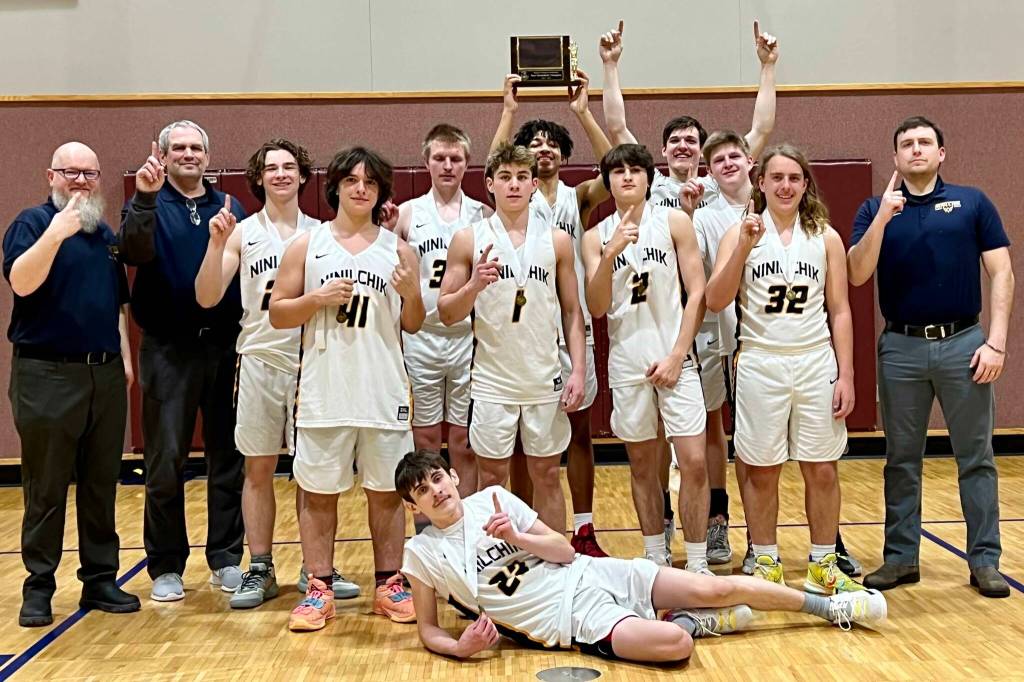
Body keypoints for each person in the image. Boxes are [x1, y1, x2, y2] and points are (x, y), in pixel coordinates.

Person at [396, 450, 887, 663]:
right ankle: (694, 622)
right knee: (676, 645)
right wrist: (460, 648)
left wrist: (520, 537)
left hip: (592, 572)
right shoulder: (422, 554)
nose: (435, 491)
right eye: (422, 491)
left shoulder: (495, 499)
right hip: (571, 619)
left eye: (437, 479)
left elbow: (564, 550)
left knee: (716, 585)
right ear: (413, 506)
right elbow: (428, 630)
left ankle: (829, 607)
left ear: (453, 477)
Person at [600, 19, 784, 569]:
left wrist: (768, 69)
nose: (684, 146)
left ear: (703, 153)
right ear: (661, 152)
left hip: (710, 324)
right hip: (657, 324)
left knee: (709, 431)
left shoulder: (720, 186)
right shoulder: (650, 188)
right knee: (653, 440)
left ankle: (716, 523)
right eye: (675, 140)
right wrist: (611, 67)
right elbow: (617, 126)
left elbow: (760, 129)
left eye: (691, 141)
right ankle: (661, 527)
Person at [847, 116, 1014, 598]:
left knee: (976, 458)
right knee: (901, 459)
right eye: (907, 144)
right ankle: (901, 558)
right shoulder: (874, 208)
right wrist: (883, 219)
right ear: (895, 157)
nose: (916, 149)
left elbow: (1002, 273)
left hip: (965, 344)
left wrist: (996, 342)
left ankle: (985, 560)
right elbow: (857, 273)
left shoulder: (973, 202)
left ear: (941, 153)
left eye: (925, 142)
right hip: (900, 347)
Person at [194, 138, 358, 608]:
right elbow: (206, 296)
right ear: (259, 178)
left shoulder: (323, 233)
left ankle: (315, 568)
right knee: (258, 467)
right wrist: (215, 245)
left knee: (312, 471)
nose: (281, 174)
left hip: (313, 363)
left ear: (304, 176)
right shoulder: (243, 233)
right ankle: (261, 567)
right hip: (260, 360)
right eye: (271, 168)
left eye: (289, 167)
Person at [269, 146, 424, 630]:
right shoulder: (307, 244)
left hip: (383, 390)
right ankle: (319, 589)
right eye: (352, 180)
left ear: (381, 192)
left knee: (387, 492)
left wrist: (412, 294)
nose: (361, 189)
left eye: (370, 182)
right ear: (334, 186)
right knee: (318, 493)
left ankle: (389, 584)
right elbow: (277, 313)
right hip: (324, 390)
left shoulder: (399, 250)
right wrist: (315, 298)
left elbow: (414, 323)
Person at [706, 144, 860, 594]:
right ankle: (766, 561)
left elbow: (840, 310)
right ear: (761, 182)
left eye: (794, 178)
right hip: (760, 359)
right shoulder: (740, 233)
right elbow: (715, 299)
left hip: (815, 359)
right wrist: (743, 247)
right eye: (777, 177)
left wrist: (847, 374)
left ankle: (823, 563)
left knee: (823, 468)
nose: (785, 186)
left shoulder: (826, 237)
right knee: (761, 469)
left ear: (805, 184)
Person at [4, 142, 140, 626]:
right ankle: (39, 586)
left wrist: (124, 361)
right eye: (70, 172)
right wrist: (56, 234)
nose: (81, 181)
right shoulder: (32, 223)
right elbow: (21, 282)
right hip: (46, 373)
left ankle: (100, 579)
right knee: (45, 487)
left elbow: (116, 305)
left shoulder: (103, 234)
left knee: (102, 483)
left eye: (89, 173)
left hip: (104, 374)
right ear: (51, 176)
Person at [120, 121, 248, 602]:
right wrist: (144, 197)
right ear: (163, 154)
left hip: (223, 346)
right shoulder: (146, 201)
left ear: (208, 156)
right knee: (165, 460)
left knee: (227, 457)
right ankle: (167, 565)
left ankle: (226, 558)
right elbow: (133, 252)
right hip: (167, 350)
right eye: (178, 148)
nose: (188, 154)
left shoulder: (229, 206)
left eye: (196, 147)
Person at [489, 66, 611, 556]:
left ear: (563, 154)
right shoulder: (513, 193)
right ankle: (524, 528)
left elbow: (614, 169)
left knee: (578, 431)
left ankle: (583, 528)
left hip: (569, 324)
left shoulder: (577, 197)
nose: (543, 148)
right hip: (524, 332)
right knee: (523, 443)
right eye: (534, 142)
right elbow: (494, 162)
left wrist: (583, 112)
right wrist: (508, 111)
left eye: (552, 143)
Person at [437, 142, 587, 535]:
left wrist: (578, 371)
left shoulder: (557, 240)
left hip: (544, 377)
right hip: (492, 380)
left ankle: (553, 559)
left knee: (547, 474)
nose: (514, 185)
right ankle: (493, 557)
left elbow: (573, 311)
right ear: (490, 184)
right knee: (491, 478)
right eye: (505, 177)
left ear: (535, 184)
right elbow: (447, 312)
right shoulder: (468, 239)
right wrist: (473, 285)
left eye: (522, 177)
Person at [582, 144, 709, 572]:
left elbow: (698, 292)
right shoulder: (594, 237)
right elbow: (597, 305)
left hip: (676, 358)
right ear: (608, 181)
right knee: (641, 464)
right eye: (618, 171)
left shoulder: (674, 221)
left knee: (693, 461)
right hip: (627, 362)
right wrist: (611, 253)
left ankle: (697, 562)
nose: (627, 177)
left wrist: (678, 354)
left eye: (635, 169)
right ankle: (655, 554)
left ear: (648, 178)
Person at [393, 124, 491, 497]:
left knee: (464, 440)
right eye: (440, 158)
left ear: (467, 163)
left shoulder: (482, 214)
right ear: (426, 162)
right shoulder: (406, 214)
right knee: (427, 438)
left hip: (467, 338)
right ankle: (431, 518)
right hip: (421, 337)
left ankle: (465, 516)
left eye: (456, 158)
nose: (448, 166)